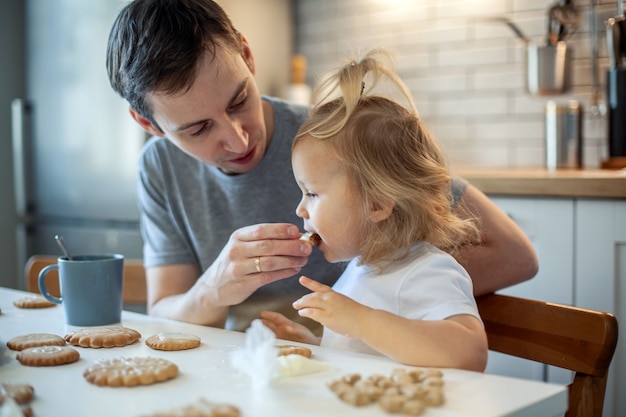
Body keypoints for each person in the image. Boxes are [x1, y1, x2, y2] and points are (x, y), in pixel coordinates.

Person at [105, 0, 537, 333]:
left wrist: (369, 294)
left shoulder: (333, 142)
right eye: (198, 129)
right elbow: (165, 313)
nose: (238, 139)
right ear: (148, 124)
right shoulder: (159, 169)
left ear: (247, 56)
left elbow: (515, 255)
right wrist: (216, 286)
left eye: (240, 100)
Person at [260, 50, 487, 371]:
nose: (300, 209)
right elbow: (368, 356)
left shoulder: (426, 271)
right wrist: (312, 345)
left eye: (312, 193)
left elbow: (470, 355)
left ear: (377, 204)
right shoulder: (361, 267)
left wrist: (361, 320)